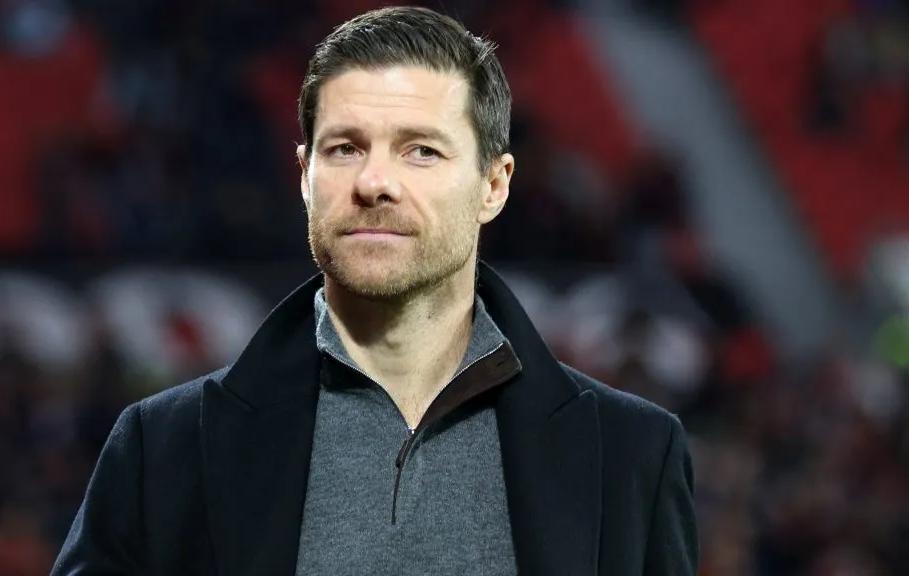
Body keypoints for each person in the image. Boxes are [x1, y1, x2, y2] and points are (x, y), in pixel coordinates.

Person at [51, 6, 698, 575]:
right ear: (305, 178)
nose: (375, 183)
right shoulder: (161, 451)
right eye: (344, 149)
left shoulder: (633, 458)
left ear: (493, 187)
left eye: (420, 151)